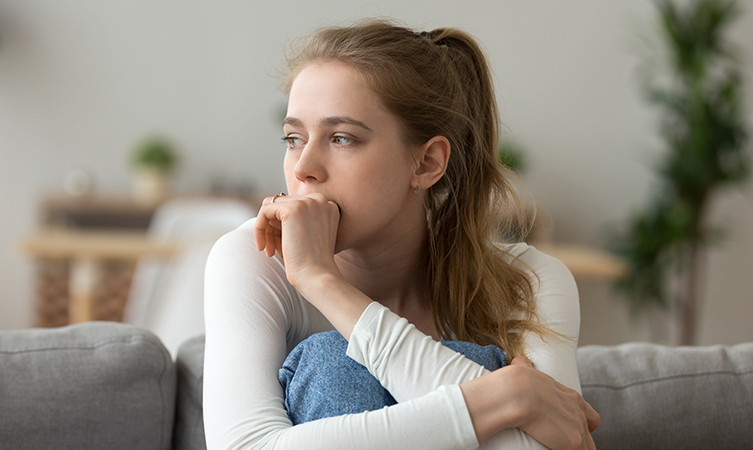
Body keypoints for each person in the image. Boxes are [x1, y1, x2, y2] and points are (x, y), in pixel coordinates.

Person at [203, 19, 600, 450]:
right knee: (334, 365)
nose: (303, 168)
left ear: (427, 163)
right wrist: (505, 394)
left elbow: (556, 444)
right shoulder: (252, 259)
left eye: (341, 138)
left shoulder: (531, 280)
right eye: (294, 138)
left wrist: (328, 286)